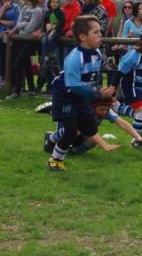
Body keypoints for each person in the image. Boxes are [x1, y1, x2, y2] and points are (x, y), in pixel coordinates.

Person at [46, 15, 117, 171]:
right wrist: (98, 94)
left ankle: (51, 138)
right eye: (96, 32)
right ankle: (55, 160)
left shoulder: (97, 53)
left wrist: (102, 91)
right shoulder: (73, 58)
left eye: (100, 31)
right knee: (71, 131)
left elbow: (92, 78)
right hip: (65, 95)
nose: (100, 35)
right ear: (83, 37)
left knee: (91, 129)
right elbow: (75, 86)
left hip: (80, 95)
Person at [112, 27, 142, 148]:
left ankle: (117, 108)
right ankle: (137, 141)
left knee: (141, 114)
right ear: (141, 43)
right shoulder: (133, 56)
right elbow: (119, 75)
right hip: (130, 86)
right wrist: (112, 93)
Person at [5, 0, 43, 98]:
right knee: (26, 65)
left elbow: (31, 27)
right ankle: (31, 89)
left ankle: (17, 91)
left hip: (30, 41)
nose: (22, 0)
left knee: (17, 64)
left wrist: (22, 26)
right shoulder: (25, 8)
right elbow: (19, 23)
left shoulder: (37, 11)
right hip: (21, 38)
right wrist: (24, 24)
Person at [0, 0, 20, 91]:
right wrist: (3, 8)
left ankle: (12, 85)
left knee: (12, 61)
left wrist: (0, 21)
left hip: (12, 37)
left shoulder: (16, 7)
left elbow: (15, 22)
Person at [36, 0, 65, 93]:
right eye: (53, 2)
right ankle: (45, 56)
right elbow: (45, 23)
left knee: (50, 38)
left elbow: (61, 23)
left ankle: (51, 54)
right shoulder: (48, 13)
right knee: (44, 40)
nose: (54, 4)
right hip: (48, 31)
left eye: (56, 2)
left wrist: (54, 28)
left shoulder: (60, 13)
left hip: (57, 32)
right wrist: (44, 30)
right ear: (49, 3)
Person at [60, 0, 82, 68]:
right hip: (61, 37)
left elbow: (72, 24)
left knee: (67, 63)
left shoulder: (76, 9)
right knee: (60, 63)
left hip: (70, 40)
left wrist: (60, 27)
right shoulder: (62, 9)